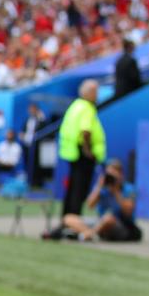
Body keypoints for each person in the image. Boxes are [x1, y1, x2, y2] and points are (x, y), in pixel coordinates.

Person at [58, 79, 106, 228]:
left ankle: (67, 219)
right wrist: (87, 150)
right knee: (79, 189)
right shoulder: (87, 108)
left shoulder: (75, 105)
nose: (97, 95)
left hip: (72, 152)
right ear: (90, 92)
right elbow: (86, 131)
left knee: (73, 187)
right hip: (82, 154)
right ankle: (74, 223)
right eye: (96, 92)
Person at [64, 159, 142, 242]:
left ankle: (86, 234)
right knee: (68, 218)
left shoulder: (129, 189)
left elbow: (128, 211)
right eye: (108, 174)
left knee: (109, 218)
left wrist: (116, 191)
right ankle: (89, 234)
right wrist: (99, 186)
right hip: (100, 223)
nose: (110, 178)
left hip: (122, 225)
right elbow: (90, 205)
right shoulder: (102, 187)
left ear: (121, 175)